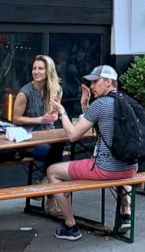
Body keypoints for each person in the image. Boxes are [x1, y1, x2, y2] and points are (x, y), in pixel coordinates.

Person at [46, 65, 137, 241]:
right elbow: (99, 124)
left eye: (96, 81)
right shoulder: (126, 101)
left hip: (105, 169)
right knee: (121, 166)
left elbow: (73, 135)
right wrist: (84, 105)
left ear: (108, 82)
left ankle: (70, 225)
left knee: (52, 171)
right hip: (131, 167)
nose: (92, 86)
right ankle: (126, 214)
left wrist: (62, 112)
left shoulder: (102, 104)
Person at [12, 55, 65, 168]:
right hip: (28, 138)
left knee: (60, 145)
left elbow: (55, 113)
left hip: (48, 134)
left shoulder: (57, 89)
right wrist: (40, 120)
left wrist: (54, 116)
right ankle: (50, 179)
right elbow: (15, 119)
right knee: (52, 154)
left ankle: (49, 179)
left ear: (49, 71)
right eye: (34, 68)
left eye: (40, 68)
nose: (36, 72)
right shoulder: (24, 93)